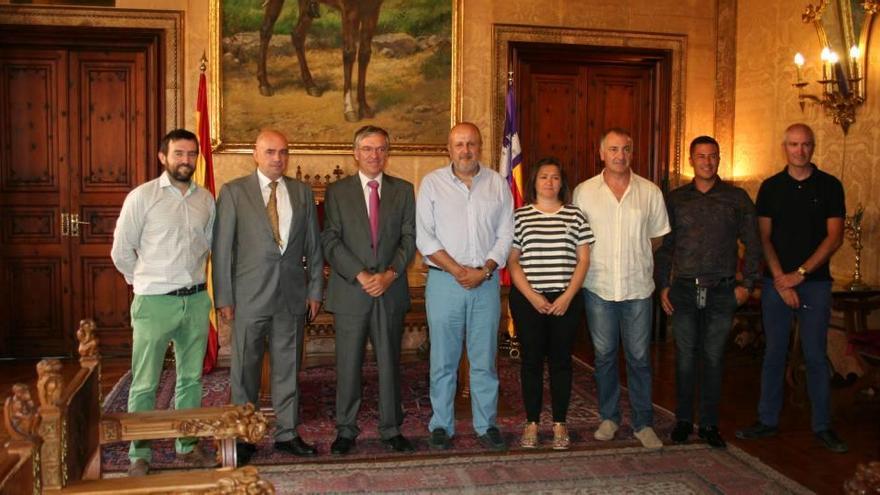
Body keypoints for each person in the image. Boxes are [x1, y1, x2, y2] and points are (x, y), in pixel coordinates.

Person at [111, 129, 217, 476]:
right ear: (163, 157)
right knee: (145, 381)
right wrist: (143, 283)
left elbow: (210, 246)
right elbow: (121, 252)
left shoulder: (206, 200)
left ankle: (186, 446)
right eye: (178, 154)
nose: (186, 160)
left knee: (191, 379)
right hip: (154, 302)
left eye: (191, 154)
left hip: (197, 300)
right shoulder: (141, 198)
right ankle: (139, 453)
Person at [212, 129, 324, 461]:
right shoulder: (234, 192)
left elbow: (313, 247)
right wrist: (224, 298)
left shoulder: (302, 193)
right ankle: (243, 438)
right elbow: (222, 251)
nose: (278, 158)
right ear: (256, 155)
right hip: (248, 298)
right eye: (271, 152)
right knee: (244, 370)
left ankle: (287, 433)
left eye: (283, 152)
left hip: (291, 296)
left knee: (288, 367)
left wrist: (315, 289)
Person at [735, 123, 848, 453]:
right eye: (794, 145)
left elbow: (834, 237)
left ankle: (822, 426)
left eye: (806, 145)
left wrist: (799, 274)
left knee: (814, 355)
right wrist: (781, 279)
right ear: (784, 147)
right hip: (776, 284)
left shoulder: (830, 186)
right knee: (773, 354)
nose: (800, 150)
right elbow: (763, 237)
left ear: (813, 147)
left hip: (815, 284)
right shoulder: (771, 187)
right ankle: (767, 420)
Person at [655, 135, 761, 449]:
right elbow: (664, 247)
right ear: (691, 160)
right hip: (684, 290)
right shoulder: (675, 199)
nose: (707, 161)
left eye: (712, 156)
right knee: (685, 358)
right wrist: (663, 285)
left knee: (714, 358)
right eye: (701, 156)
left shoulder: (737, 198)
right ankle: (684, 421)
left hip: (723, 291)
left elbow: (754, 244)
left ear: (719, 159)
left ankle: (710, 424)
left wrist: (748, 284)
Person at [416, 122, 514, 451]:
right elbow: (425, 237)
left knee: (484, 359)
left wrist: (484, 269)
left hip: (485, 283)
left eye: (471, 144)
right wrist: (459, 270)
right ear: (449, 149)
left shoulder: (498, 184)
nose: (466, 150)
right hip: (445, 282)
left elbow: (506, 233)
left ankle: (486, 425)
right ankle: (441, 424)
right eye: (459, 144)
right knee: (443, 359)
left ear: (480, 147)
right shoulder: (431, 184)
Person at [321, 126, 417, 455]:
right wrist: (361, 275)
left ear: (387, 153)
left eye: (380, 149)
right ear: (355, 153)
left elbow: (409, 239)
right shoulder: (337, 191)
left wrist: (389, 275)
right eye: (367, 148)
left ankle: (391, 428)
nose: (374, 155)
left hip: (390, 290)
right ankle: (346, 429)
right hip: (352, 290)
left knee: (390, 363)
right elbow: (330, 239)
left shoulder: (403, 190)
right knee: (348, 364)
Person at [572, 127, 670, 449]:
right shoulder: (584, 192)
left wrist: (634, 256)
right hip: (598, 286)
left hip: (638, 288)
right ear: (601, 154)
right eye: (613, 149)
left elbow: (656, 238)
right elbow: (578, 241)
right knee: (604, 356)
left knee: (640, 358)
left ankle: (643, 423)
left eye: (625, 149)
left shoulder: (650, 192)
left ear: (632, 152)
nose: (619, 155)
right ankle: (609, 418)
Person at [507, 157, 593, 450]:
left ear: (562, 182)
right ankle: (531, 422)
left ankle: (559, 423)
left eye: (555, 177)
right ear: (534, 181)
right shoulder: (520, 216)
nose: (549, 182)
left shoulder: (575, 216)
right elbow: (513, 262)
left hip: (565, 300)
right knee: (531, 361)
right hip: (528, 298)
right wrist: (532, 296)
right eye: (544, 177)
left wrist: (568, 296)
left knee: (561, 362)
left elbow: (583, 259)